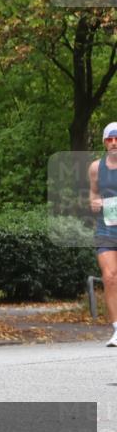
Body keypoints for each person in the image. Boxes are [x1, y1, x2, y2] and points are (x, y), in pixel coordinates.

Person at [89, 122, 117, 348]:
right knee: (109, 277)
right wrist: (94, 203)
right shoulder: (96, 168)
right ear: (104, 142)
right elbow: (93, 194)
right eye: (110, 139)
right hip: (106, 227)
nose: (114, 143)